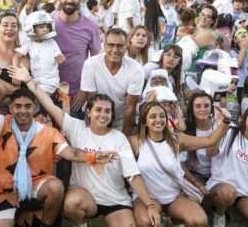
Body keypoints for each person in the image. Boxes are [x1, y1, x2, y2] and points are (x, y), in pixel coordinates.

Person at [19, 68, 160, 227]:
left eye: (107, 111)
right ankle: (81, 224)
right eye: (98, 110)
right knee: (72, 203)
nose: (103, 115)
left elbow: (132, 175)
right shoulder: (76, 128)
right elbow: (50, 105)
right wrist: (29, 81)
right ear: (88, 112)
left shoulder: (119, 138)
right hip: (86, 197)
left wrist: (150, 205)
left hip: (115, 199)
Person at [0, 86, 115, 227]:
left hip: (36, 185)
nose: (23, 111)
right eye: (18, 106)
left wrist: (94, 157)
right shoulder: (3, 123)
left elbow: (72, 153)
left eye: (28, 106)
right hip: (4, 191)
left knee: (55, 187)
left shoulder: (49, 132)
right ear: (10, 108)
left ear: (35, 108)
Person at [130, 101, 231, 227]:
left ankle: (169, 220)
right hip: (148, 197)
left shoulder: (176, 139)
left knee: (200, 221)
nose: (158, 120)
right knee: (146, 222)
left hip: (173, 196)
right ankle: (166, 220)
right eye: (153, 116)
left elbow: (209, 140)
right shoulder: (135, 141)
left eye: (162, 116)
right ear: (144, 121)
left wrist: (226, 121)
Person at [205, 106, 248, 227]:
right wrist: (220, 127)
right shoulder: (230, 132)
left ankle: (233, 209)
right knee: (228, 192)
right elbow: (209, 153)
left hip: (245, 191)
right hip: (222, 185)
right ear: (245, 117)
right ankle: (220, 214)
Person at [78, 28, 145, 134]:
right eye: (111, 45)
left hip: (121, 120)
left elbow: (130, 108)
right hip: (96, 116)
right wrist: (94, 133)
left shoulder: (136, 69)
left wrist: (124, 137)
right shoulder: (90, 64)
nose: (115, 50)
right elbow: (92, 102)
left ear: (126, 46)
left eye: (120, 46)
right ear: (104, 45)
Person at [51, 0, 101, 100]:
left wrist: (84, 90)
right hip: (49, 92)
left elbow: (96, 61)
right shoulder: (48, 21)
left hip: (76, 95)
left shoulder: (90, 26)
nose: (70, 0)